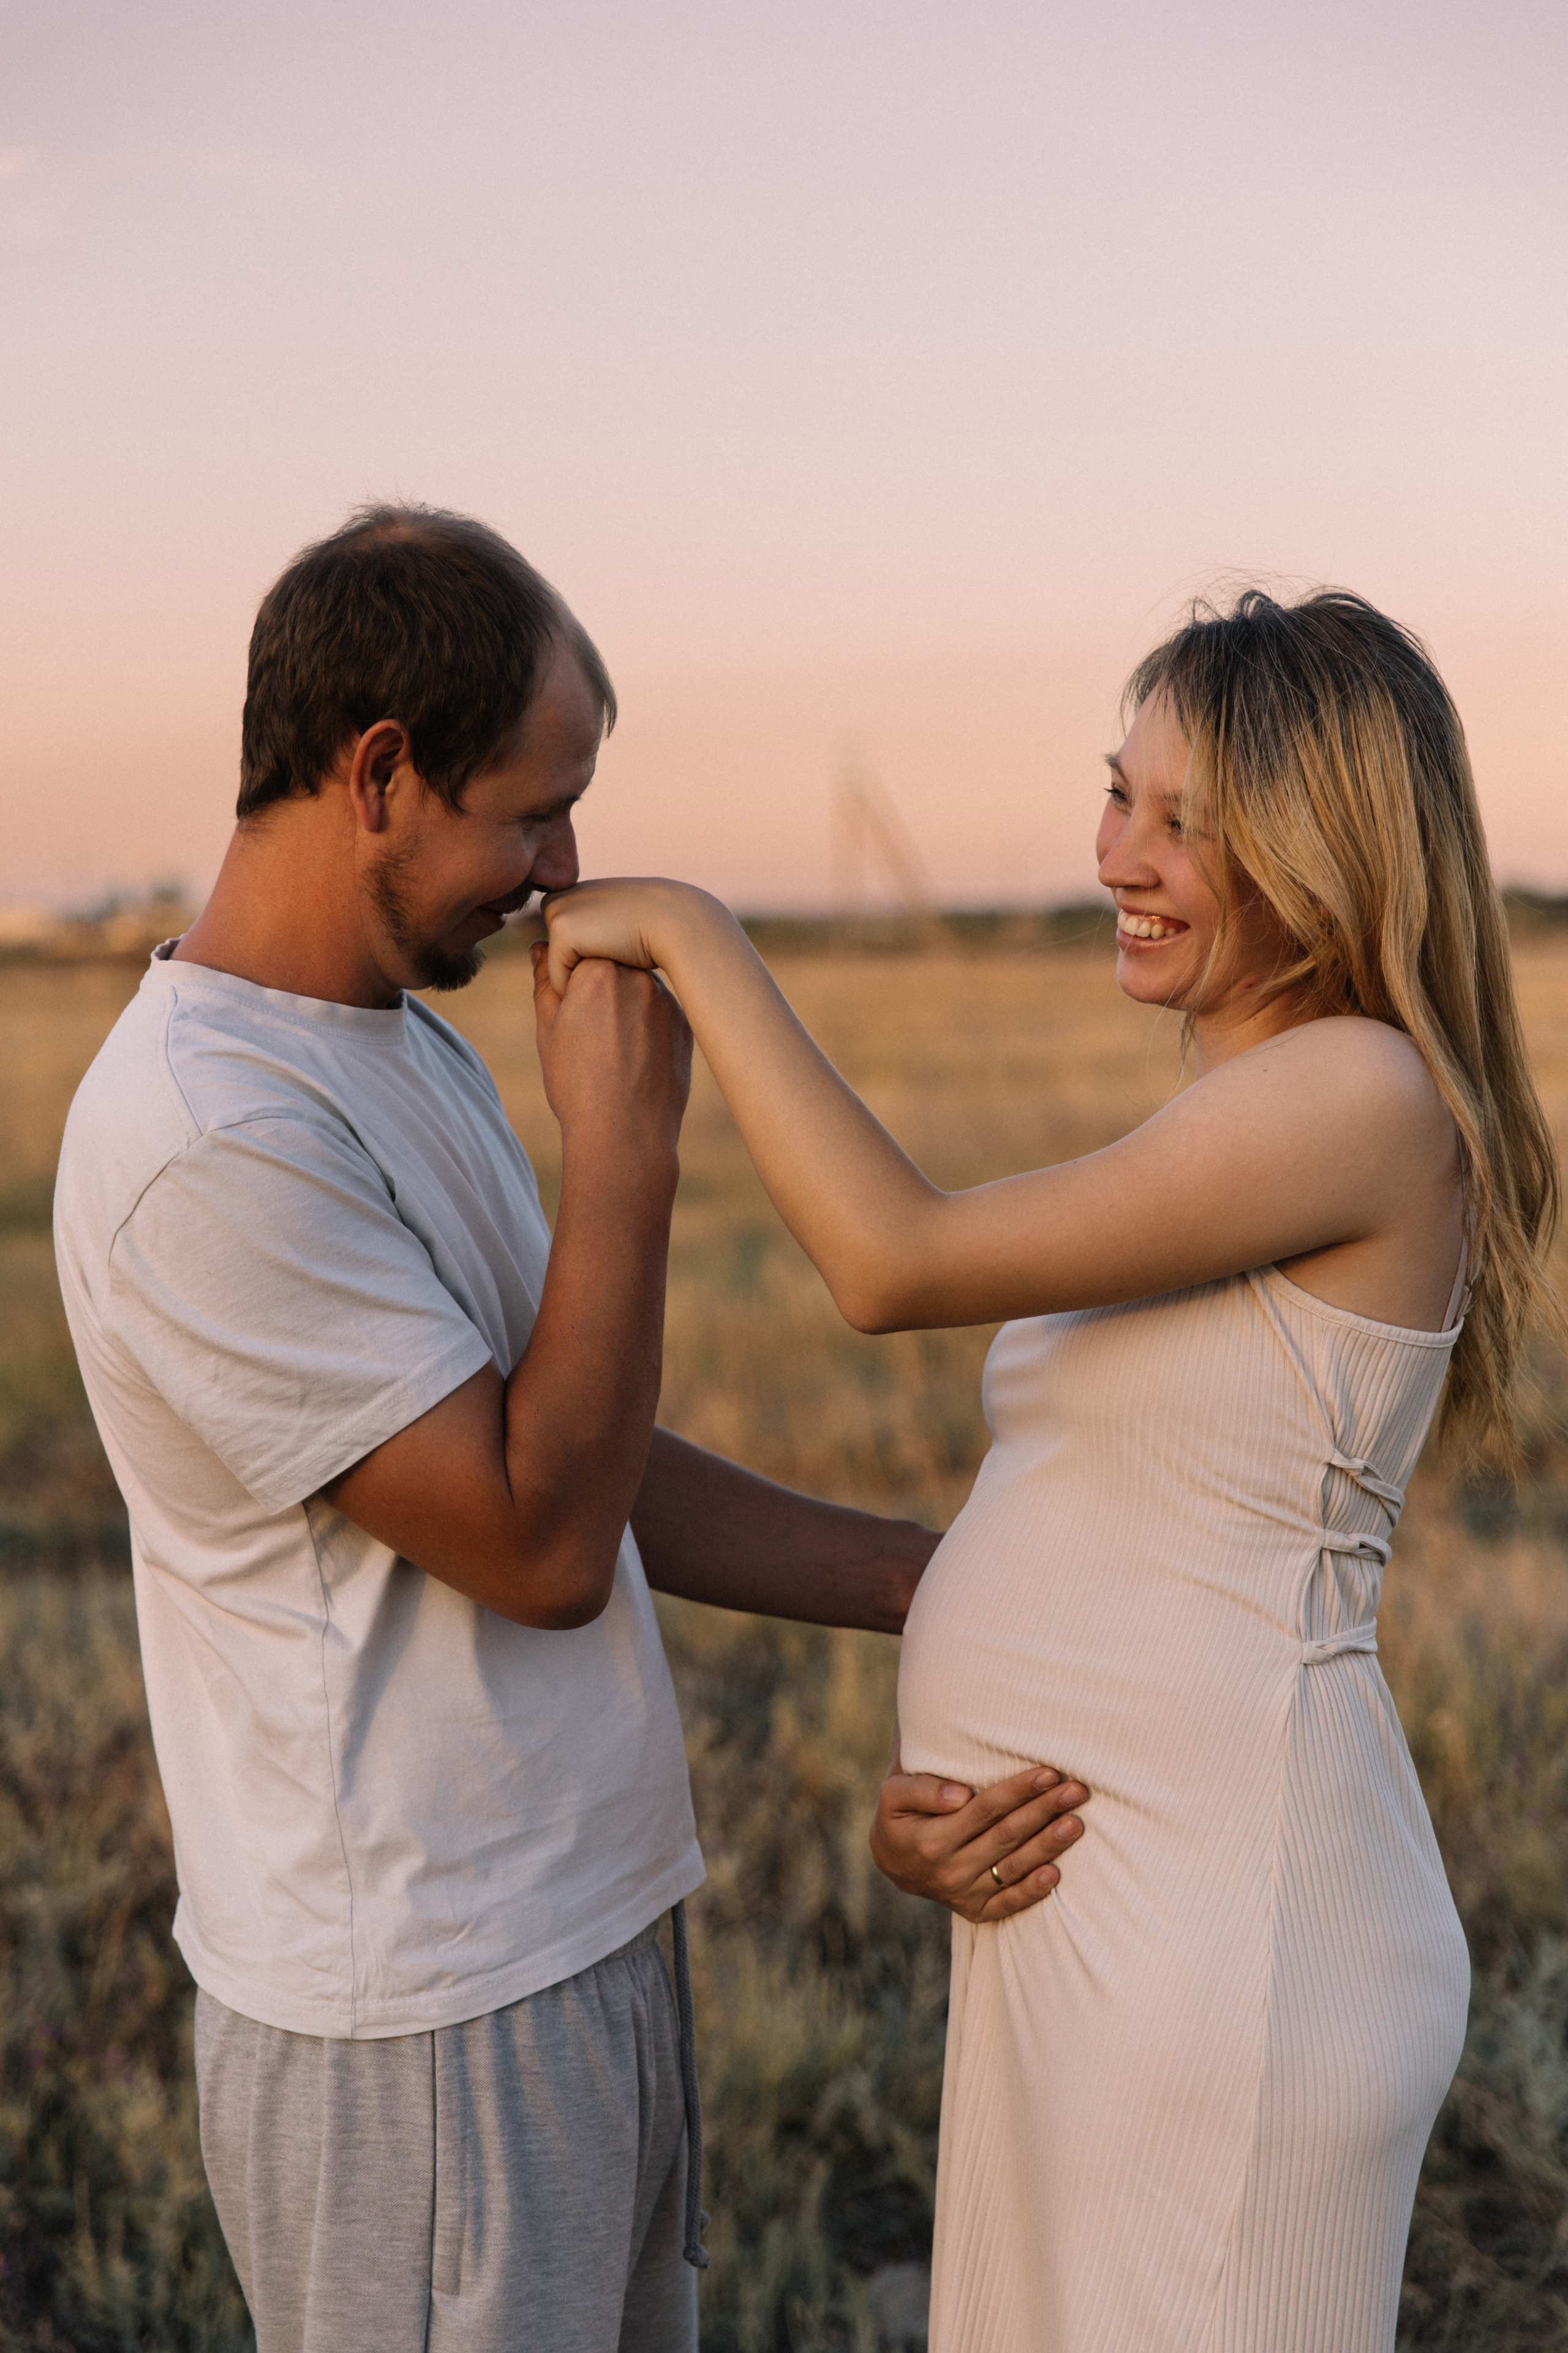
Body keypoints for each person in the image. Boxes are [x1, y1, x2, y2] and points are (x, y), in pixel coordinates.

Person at [51, 505, 1090, 2353]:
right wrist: (626, 1152)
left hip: (580, 1935)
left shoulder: (394, 1039)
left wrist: (953, 1584)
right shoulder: (205, 1142)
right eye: (530, 811)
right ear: (378, 773)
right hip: (419, 2024)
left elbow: (589, 1455)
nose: (560, 868)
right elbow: (539, 1544)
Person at [542, 586, 1562, 2353]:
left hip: (1239, 1950)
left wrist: (697, 935)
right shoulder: (1243, 1110)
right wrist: (949, 1783)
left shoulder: (1365, 1095)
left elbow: (892, 1263)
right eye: (1120, 794)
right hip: (1103, 1920)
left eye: (1191, 823)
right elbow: (1121, 1540)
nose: (1123, 854)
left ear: (1322, 855)